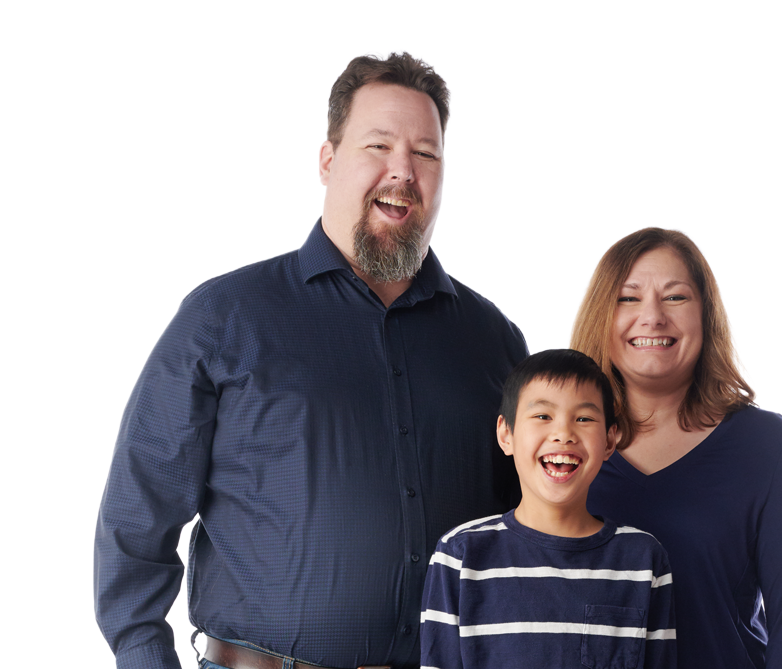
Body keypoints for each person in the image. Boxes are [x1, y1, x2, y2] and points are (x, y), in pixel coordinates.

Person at [92, 51, 528, 669]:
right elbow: (136, 520)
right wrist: (143, 658)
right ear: (328, 161)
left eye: (425, 154)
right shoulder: (224, 318)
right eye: (378, 145)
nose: (402, 170)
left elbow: (535, 524)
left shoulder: (495, 343)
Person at [569, 227, 782, 669]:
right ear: (600, 316)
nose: (652, 316)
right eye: (628, 298)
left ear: (706, 315)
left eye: (675, 297)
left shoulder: (765, 447)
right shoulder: (561, 448)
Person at [421, 349, 677, 669]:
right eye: (543, 416)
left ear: (610, 441)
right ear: (506, 434)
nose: (563, 434)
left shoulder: (643, 558)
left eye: (583, 418)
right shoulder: (459, 554)